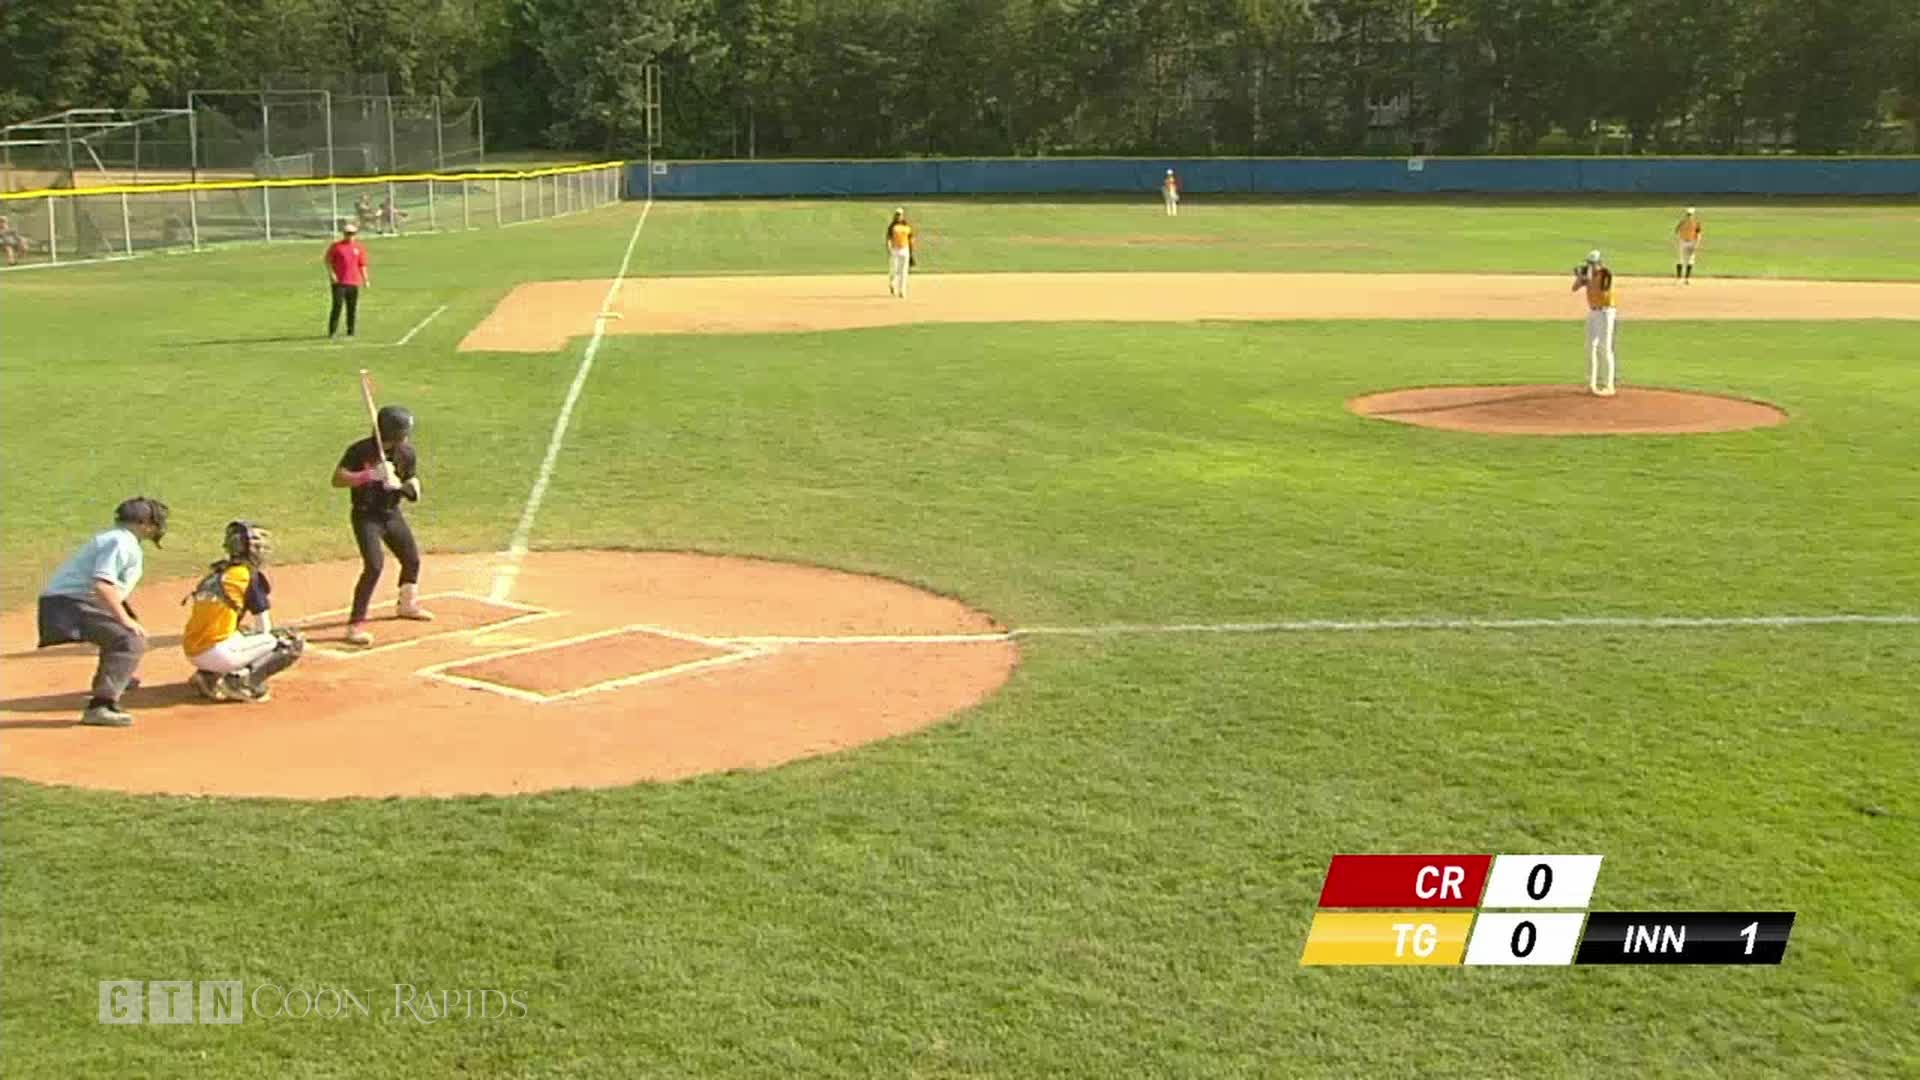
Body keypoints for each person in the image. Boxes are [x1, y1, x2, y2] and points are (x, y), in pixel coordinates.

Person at [35, 497, 169, 727]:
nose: (159, 527)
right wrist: (126, 621)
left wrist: (126, 617)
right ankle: (101, 706)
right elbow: (103, 585)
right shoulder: (120, 542)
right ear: (144, 524)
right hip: (69, 604)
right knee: (128, 639)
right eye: (156, 522)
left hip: (72, 601)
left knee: (125, 632)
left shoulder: (119, 539)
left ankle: (117, 676)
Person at [332, 404, 433, 646]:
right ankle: (355, 625)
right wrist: (368, 476)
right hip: (366, 516)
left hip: (391, 513)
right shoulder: (360, 451)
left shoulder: (406, 453)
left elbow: (412, 481)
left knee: (411, 558)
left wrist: (404, 486)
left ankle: (407, 605)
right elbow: (337, 479)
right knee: (374, 566)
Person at [181, 521, 305, 703]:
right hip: (216, 654)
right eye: (258, 544)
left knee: (244, 632)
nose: (262, 548)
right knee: (288, 641)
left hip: (193, 650)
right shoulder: (247, 576)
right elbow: (264, 628)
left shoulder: (219, 572)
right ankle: (242, 682)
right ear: (249, 548)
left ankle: (207, 677)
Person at [1572, 250, 1618, 396]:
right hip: (1593, 312)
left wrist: (1588, 279)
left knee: (1605, 347)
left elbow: (1603, 291)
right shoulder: (1590, 275)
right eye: (1589, 263)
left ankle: (1609, 385)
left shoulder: (1606, 274)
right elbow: (1574, 288)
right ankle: (1591, 384)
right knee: (1590, 346)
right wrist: (1580, 278)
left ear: (1599, 262)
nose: (1590, 265)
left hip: (1605, 313)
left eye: (1592, 263)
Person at [324, 221, 370, 339]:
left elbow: (362, 264)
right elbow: (327, 261)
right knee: (337, 306)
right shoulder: (336, 246)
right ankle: (332, 331)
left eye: (352, 233)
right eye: (348, 233)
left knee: (352, 308)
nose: (350, 236)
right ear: (344, 234)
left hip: (353, 282)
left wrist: (365, 279)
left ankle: (351, 331)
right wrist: (332, 274)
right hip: (339, 283)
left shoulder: (358, 248)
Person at [885, 208, 915, 298]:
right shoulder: (892, 227)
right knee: (894, 270)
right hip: (895, 250)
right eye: (897, 215)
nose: (898, 216)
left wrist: (911, 252)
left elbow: (911, 239)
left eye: (900, 215)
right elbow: (889, 238)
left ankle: (902, 291)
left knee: (904, 271)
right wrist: (889, 248)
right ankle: (892, 284)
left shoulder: (907, 227)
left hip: (905, 250)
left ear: (903, 216)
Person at [1674, 208, 1703, 283]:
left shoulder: (1695, 223)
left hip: (1691, 242)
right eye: (1688, 214)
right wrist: (1678, 240)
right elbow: (1676, 231)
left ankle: (1687, 279)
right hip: (1683, 242)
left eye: (1690, 214)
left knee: (1690, 260)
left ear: (1693, 215)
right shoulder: (1683, 222)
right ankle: (1679, 278)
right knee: (1680, 259)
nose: (1689, 216)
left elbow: (1699, 235)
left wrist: (1696, 244)